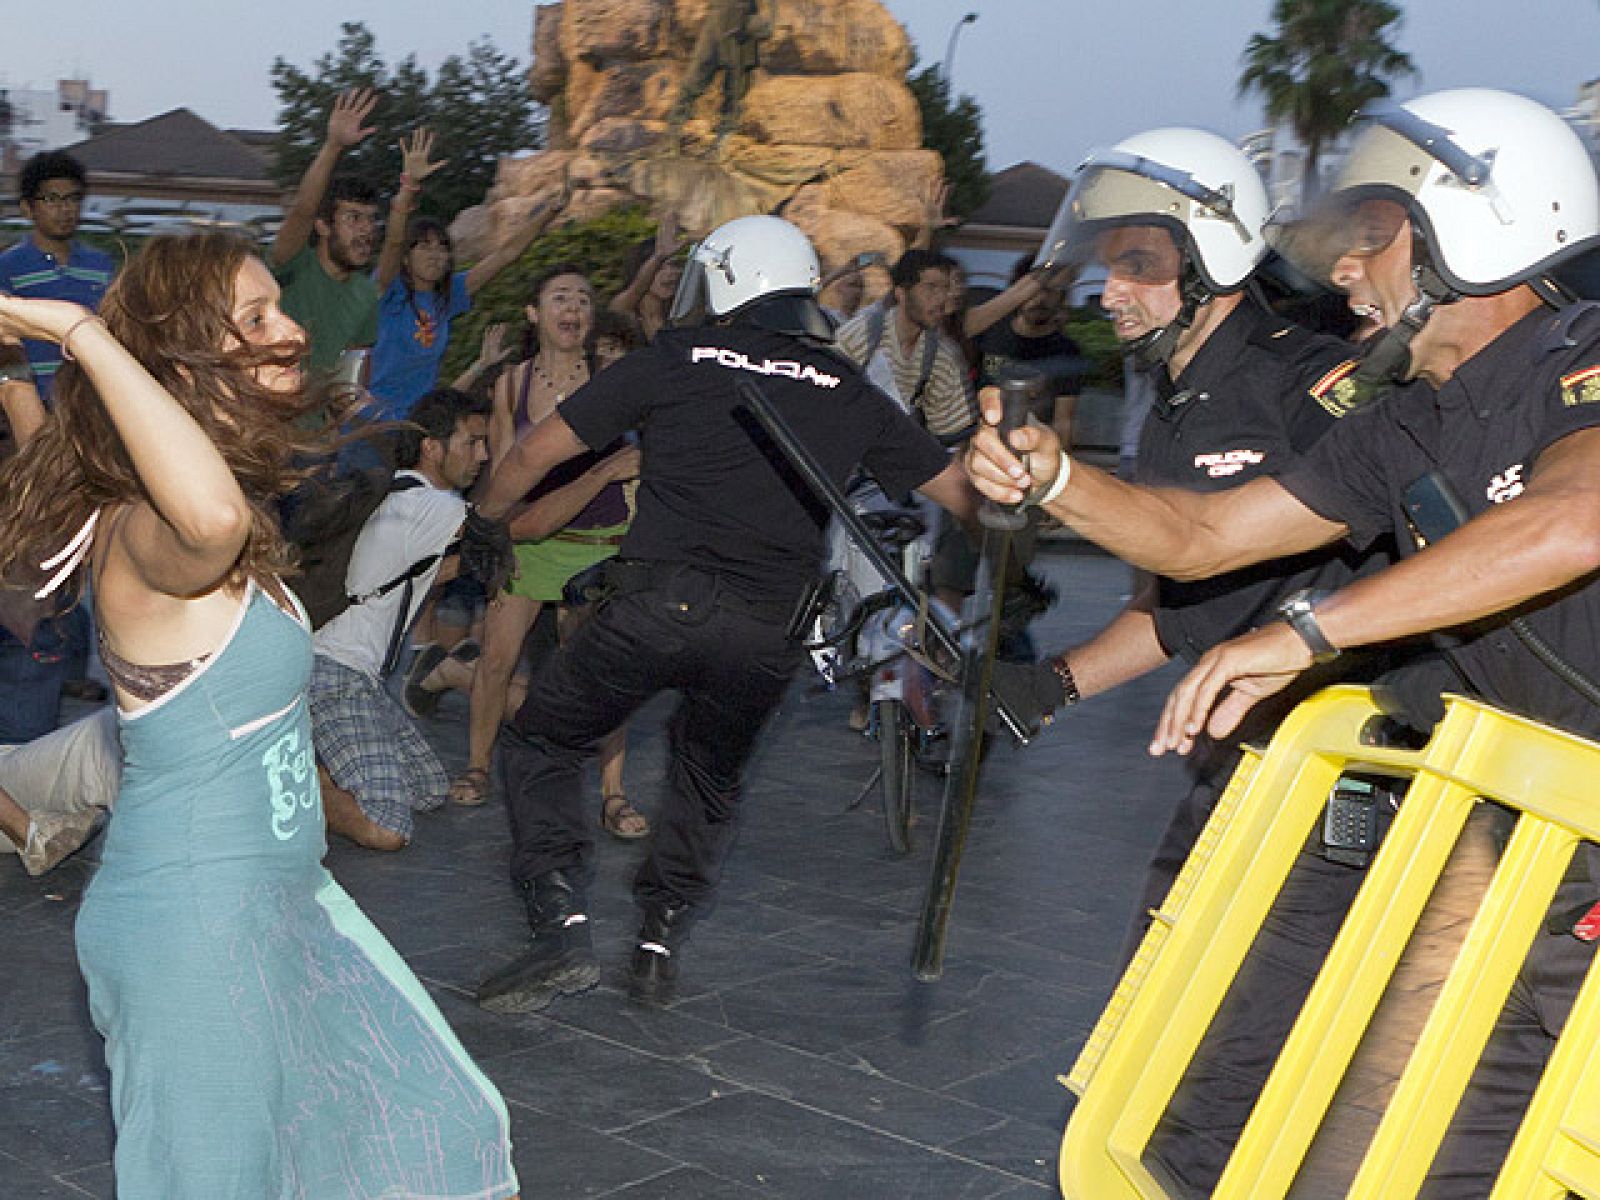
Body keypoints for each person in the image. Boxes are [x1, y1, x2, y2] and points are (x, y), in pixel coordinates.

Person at [968, 89, 1600, 1198]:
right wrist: (1056, 478)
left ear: (1485, 227)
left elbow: (1572, 520)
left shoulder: (1579, 359)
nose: (1346, 271)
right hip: (1505, 824)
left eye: (1372, 235)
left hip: (1570, 823)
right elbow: (1205, 536)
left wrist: (1305, 631)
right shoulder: (1400, 417)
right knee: (1392, 1140)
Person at [0, 231, 518, 1197]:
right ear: (188, 355)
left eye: (279, 307)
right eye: (256, 318)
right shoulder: (158, 530)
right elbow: (210, 524)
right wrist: (84, 335)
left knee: (431, 1123)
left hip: (280, 908)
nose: (290, 331)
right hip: (196, 928)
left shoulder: (207, 505)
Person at [471, 214, 975, 1013]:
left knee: (539, 738)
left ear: (729, 281)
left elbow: (535, 454)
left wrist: (484, 521)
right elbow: (966, 493)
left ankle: (558, 928)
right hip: (769, 629)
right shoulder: (851, 389)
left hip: (654, 605)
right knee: (709, 778)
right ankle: (659, 938)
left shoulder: (675, 356)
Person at [448, 264, 643, 839]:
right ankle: (478, 766)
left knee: (606, 671)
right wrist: (493, 532)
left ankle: (614, 793)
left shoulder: (613, 377)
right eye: (560, 297)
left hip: (599, 541)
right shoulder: (513, 383)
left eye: (583, 299)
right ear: (536, 315)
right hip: (532, 537)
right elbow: (507, 470)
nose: (573, 308)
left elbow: (638, 461)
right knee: (498, 657)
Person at [309, 387, 490, 852]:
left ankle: (314, 754)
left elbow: (426, 571)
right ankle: (297, 787)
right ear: (433, 447)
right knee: (387, 827)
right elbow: (514, 526)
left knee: (428, 789)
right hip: (335, 676)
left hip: (355, 676)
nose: (482, 455)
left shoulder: (402, 493)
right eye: (472, 442)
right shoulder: (432, 507)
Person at [367, 129, 562, 420]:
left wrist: (549, 213)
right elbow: (393, 241)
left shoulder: (449, 295)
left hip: (416, 425)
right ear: (406, 258)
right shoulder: (387, 290)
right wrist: (409, 186)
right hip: (368, 427)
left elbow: (506, 255)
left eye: (442, 247)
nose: (435, 254)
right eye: (424, 246)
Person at [268, 88, 386, 384]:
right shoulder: (291, 266)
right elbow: (303, 210)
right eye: (353, 218)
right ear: (322, 226)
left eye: (371, 220)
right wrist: (333, 147)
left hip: (320, 429)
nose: (366, 230)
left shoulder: (365, 294)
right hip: (265, 424)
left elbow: (351, 376)